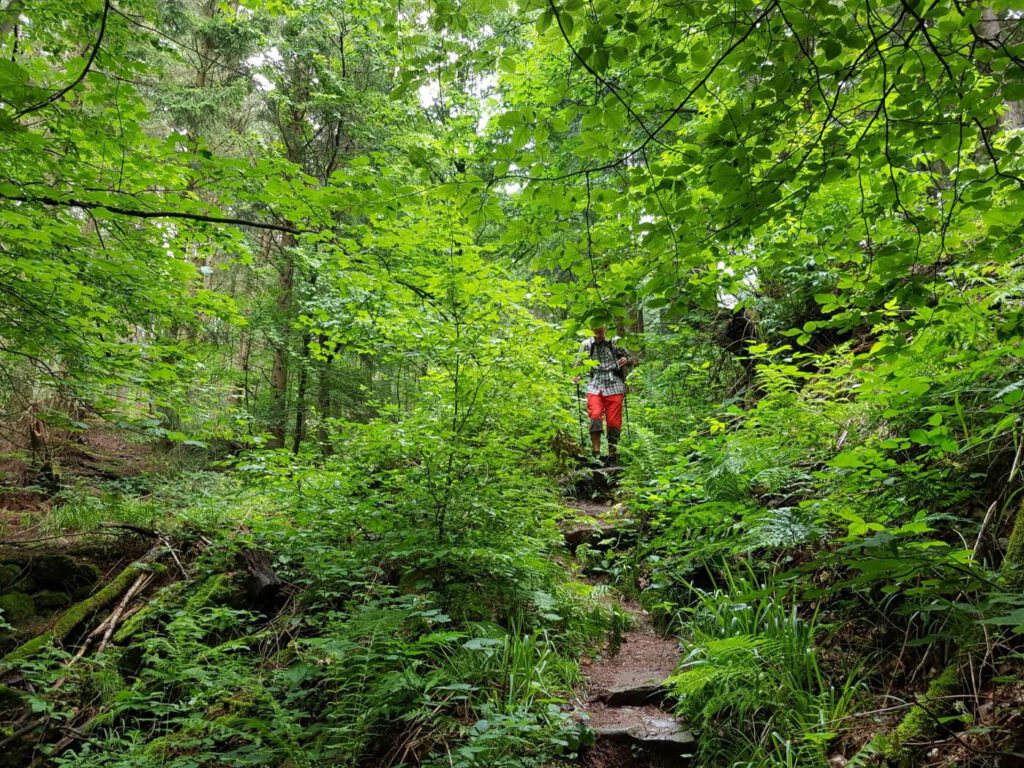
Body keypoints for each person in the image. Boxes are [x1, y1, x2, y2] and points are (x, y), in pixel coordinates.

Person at [575, 326, 633, 466]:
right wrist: (576, 376)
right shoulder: (586, 345)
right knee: (595, 415)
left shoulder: (615, 341)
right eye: (595, 331)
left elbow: (632, 360)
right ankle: (596, 454)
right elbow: (577, 365)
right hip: (595, 384)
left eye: (600, 331)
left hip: (614, 384)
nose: (597, 335)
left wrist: (627, 360)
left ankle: (612, 455)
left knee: (613, 421)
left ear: (605, 329)